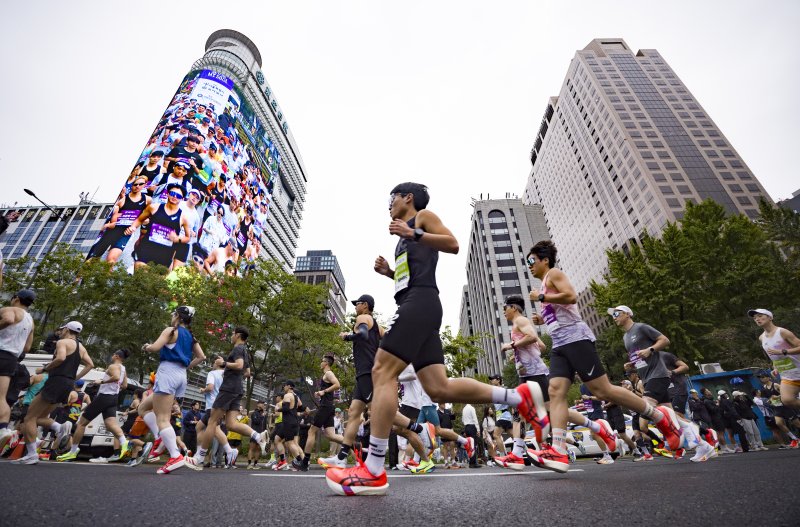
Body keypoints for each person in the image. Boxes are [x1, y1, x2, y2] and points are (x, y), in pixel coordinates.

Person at [326, 184, 546, 496]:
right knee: (438, 387)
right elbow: (414, 274)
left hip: (420, 303)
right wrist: (390, 272)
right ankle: (518, 396)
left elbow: (453, 244)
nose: (388, 205)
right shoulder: (403, 237)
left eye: (392, 199)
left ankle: (373, 469)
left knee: (381, 371)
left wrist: (413, 232)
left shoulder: (422, 218)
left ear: (408, 199)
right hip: (417, 303)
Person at [317, 294, 431, 472]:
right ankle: (341, 458)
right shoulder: (379, 327)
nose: (355, 307)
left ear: (366, 305)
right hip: (363, 375)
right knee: (354, 413)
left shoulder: (363, 318)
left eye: (358, 304)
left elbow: (361, 335)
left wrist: (347, 336)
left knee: (382, 412)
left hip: (368, 374)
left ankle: (420, 429)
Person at [608, 304, 713, 462]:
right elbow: (640, 357)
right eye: (612, 315)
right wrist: (632, 364)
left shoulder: (641, 328)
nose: (614, 316)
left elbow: (664, 340)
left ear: (628, 314)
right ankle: (704, 440)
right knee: (670, 415)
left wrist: (650, 349)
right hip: (647, 377)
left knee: (646, 407)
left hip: (658, 375)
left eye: (617, 313)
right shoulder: (625, 337)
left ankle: (690, 439)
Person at [134, 306, 205, 474]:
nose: (172, 317)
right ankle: (161, 438)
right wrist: (187, 366)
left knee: (163, 418)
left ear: (178, 316)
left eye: (174, 314)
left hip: (167, 372)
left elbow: (155, 347)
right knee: (142, 408)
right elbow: (202, 357)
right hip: (181, 376)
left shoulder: (171, 330)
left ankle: (174, 456)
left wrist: (146, 347)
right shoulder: (191, 336)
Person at [187, 326, 266, 470]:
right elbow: (247, 372)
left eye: (232, 333)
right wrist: (231, 373)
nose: (231, 336)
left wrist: (224, 364)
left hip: (228, 389)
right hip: (237, 388)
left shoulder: (237, 349)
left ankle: (200, 456)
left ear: (238, 335)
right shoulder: (245, 351)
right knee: (230, 424)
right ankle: (258, 436)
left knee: (212, 421)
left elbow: (240, 365)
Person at [14, 321, 93, 465]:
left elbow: (61, 358)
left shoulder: (62, 342)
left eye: (62, 329)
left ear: (68, 330)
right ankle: (59, 427)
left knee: (29, 417)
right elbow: (90, 364)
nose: (61, 331)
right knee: (42, 416)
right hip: (68, 384)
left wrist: (45, 369)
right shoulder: (81, 347)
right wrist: (75, 378)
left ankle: (32, 454)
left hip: (56, 381)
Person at [57, 348, 131, 462]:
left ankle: (73, 452)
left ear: (116, 356)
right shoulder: (123, 369)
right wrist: (114, 387)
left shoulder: (112, 367)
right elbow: (124, 385)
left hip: (104, 397)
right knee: (110, 424)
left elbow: (116, 377)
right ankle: (124, 442)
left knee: (82, 423)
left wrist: (101, 382)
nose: (112, 356)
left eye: (113, 354)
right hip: (113, 398)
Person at [125, 183, 192, 270]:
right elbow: (139, 219)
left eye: (178, 196)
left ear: (182, 199)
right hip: (146, 248)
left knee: (154, 282)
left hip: (164, 255)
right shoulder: (153, 207)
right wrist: (133, 227)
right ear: (167, 194)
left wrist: (177, 239)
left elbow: (188, 238)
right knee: (140, 278)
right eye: (172, 193)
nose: (174, 197)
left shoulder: (183, 217)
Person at [294, 355, 344, 471]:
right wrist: (321, 393)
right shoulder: (326, 375)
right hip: (329, 406)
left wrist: (323, 391)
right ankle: (353, 444)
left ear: (326, 363)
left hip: (325, 407)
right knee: (330, 435)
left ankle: (305, 463)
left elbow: (337, 384)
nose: (320, 363)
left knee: (311, 431)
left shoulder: (328, 374)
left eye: (322, 361)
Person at [0, 289, 35, 452]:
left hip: (1, 351)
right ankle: (3, 429)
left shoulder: (10, 310)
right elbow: (27, 347)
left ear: (15, 298)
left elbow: (7, 319)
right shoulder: (30, 321)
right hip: (11, 359)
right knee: (1, 397)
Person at [86, 176, 151, 263]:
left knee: (111, 260)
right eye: (135, 184)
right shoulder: (122, 201)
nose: (138, 186)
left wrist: (135, 226)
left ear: (145, 185)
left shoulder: (147, 200)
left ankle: (105, 276)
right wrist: (109, 224)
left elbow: (147, 218)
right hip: (112, 231)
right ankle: (79, 277)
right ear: (131, 185)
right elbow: (112, 218)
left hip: (125, 233)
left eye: (141, 184)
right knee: (93, 258)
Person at [750, 308, 800, 411]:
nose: (757, 319)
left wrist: (783, 351)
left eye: (760, 316)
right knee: (787, 400)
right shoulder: (761, 338)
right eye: (755, 318)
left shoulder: (782, 332)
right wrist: (775, 366)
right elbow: (773, 356)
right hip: (788, 376)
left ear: (770, 317)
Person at [758, 372, 799, 448]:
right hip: (776, 408)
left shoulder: (775, 385)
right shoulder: (764, 387)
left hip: (785, 407)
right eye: (760, 378)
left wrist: (777, 397)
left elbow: (787, 394)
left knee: (797, 424)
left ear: (768, 377)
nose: (761, 379)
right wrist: (769, 400)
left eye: (763, 377)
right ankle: (795, 439)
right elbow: (768, 398)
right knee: (779, 423)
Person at [247, 401, 267, 469]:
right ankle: (249, 464)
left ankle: (255, 464)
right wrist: (262, 416)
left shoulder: (263, 414)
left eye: (264, 404)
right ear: (258, 405)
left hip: (262, 434)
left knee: (258, 449)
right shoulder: (254, 413)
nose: (263, 405)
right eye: (262, 404)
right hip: (254, 433)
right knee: (252, 448)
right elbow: (256, 422)